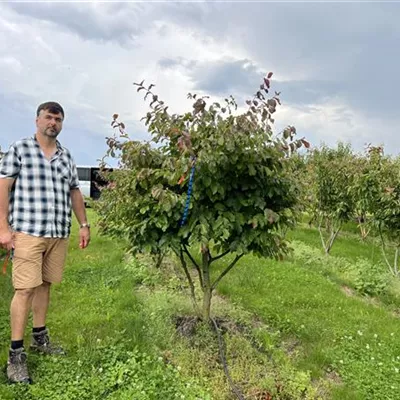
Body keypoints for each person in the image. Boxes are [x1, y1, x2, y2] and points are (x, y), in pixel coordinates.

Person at [0, 101, 90, 384]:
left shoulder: (66, 156)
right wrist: (3, 227)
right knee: (25, 289)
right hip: (28, 231)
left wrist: (84, 225)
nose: (54, 122)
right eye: (49, 117)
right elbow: (3, 186)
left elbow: (75, 191)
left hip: (57, 233)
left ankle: (40, 338)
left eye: (58, 119)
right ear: (37, 120)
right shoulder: (20, 149)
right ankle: (15, 356)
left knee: (45, 284)